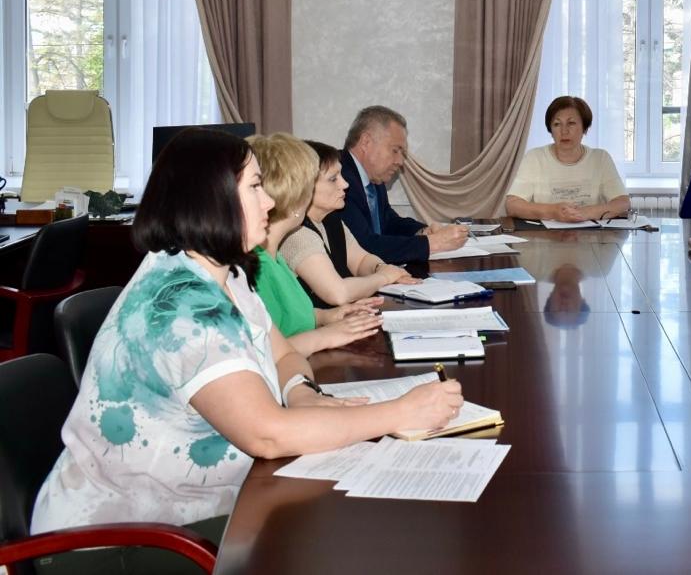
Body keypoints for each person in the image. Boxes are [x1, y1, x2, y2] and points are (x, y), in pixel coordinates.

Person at [32, 128, 463, 538]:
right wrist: (399, 413)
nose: (270, 201)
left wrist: (301, 393)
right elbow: (268, 435)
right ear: (211, 201)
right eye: (256, 187)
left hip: (196, 509)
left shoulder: (226, 272)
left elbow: (282, 354)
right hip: (122, 538)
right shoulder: (183, 308)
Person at [249, 133, 385, 357]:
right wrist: (326, 334)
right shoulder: (254, 265)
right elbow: (262, 353)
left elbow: (287, 315)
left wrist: (326, 317)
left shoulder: (274, 256)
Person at [280, 140, 418, 307]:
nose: (345, 184)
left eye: (341, 175)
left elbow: (360, 260)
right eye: (333, 179)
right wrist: (384, 277)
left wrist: (380, 267)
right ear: (304, 186)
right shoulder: (296, 234)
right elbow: (338, 293)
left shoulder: (331, 219)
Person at [340, 105, 468, 263]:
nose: (400, 161)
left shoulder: (373, 178)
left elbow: (389, 222)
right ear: (366, 142)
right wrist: (432, 243)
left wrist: (423, 231)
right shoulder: (339, 179)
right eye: (395, 150)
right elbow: (364, 246)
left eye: (402, 153)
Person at [506, 96, 630, 223]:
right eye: (557, 124)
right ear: (550, 130)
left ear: (584, 128)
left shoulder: (600, 158)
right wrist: (553, 211)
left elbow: (623, 202)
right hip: (545, 233)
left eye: (571, 123)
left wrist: (585, 213)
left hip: (591, 233)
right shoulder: (535, 157)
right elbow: (512, 204)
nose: (564, 131)